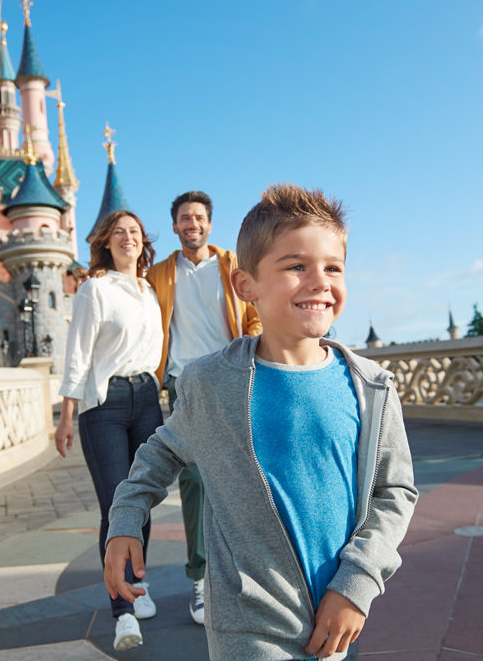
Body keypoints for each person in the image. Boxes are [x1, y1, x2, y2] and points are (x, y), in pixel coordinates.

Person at [104, 184, 418, 660]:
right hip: (245, 622)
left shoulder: (371, 386)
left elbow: (395, 491)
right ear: (245, 286)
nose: (319, 281)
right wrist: (126, 517)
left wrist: (357, 583)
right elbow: (161, 450)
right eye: (296, 266)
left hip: (335, 617)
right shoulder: (211, 383)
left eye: (333, 267)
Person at [145, 190, 261, 624]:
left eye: (198, 217)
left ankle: (246, 571)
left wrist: (251, 348)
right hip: (184, 382)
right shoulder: (159, 274)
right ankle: (200, 576)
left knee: (243, 473)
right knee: (193, 478)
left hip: (231, 375)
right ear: (175, 227)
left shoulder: (233, 266)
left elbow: (255, 314)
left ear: (209, 224)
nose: (192, 224)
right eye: (184, 218)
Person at [54, 210, 163, 652]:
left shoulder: (150, 291)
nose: (127, 238)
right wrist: (65, 415)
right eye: (119, 232)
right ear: (106, 242)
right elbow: (77, 355)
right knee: (116, 506)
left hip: (147, 400)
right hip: (106, 404)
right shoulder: (94, 290)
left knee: (142, 503)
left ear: (142, 242)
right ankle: (123, 614)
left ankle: (136, 581)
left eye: (134, 232)